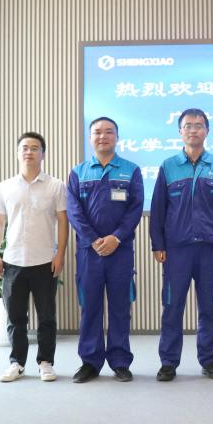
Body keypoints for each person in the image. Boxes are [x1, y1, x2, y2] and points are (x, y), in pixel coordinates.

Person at [149, 108, 213, 381]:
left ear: (207, 131)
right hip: (177, 249)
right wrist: (158, 243)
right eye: (188, 125)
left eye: (198, 125)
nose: (193, 130)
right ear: (180, 131)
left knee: (209, 307)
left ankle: (210, 360)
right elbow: (158, 208)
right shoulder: (168, 166)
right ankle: (168, 362)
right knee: (172, 307)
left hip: (210, 248)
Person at [66, 117, 144, 383]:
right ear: (90, 138)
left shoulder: (131, 170)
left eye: (109, 132)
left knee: (121, 307)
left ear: (117, 137)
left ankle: (120, 361)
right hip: (89, 253)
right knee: (90, 307)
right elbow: (74, 211)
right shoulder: (78, 172)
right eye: (97, 132)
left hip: (120, 251)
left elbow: (135, 208)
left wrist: (116, 238)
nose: (103, 136)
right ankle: (90, 362)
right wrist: (93, 240)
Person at [0, 132, 68, 382]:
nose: (29, 152)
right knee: (15, 317)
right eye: (24, 147)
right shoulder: (5, 186)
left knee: (47, 317)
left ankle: (46, 362)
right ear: (17, 153)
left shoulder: (55, 185)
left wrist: (60, 254)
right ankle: (17, 363)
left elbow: (63, 221)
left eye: (35, 148)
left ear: (43, 154)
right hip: (13, 261)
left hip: (45, 261)